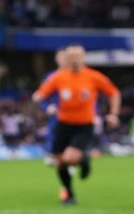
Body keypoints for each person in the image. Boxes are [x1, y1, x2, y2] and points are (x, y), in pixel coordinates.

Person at [31, 44, 121, 205]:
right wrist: (38, 98)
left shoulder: (93, 76)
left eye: (77, 57)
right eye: (71, 57)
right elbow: (42, 93)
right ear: (66, 59)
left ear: (83, 58)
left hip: (84, 125)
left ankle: (83, 159)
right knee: (60, 162)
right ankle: (70, 194)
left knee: (70, 158)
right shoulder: (58, 77)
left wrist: (113, 114)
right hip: (63, 124)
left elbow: (114, 93)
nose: (74, 60)